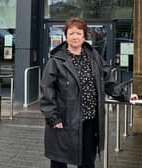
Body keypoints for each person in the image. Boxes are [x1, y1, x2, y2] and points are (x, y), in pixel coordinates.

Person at [40, 17, 138, 168]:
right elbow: (47, 91)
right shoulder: (56, 61)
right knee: (59, 161)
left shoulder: (94, 57)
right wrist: (53, 118)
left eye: (79, 33)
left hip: (90, 121)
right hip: (64, 121)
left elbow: (108, 81)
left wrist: (124, 95)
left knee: (87, 162)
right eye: (71, 33)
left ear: (84, 36)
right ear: (66, 35)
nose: (75, 37)